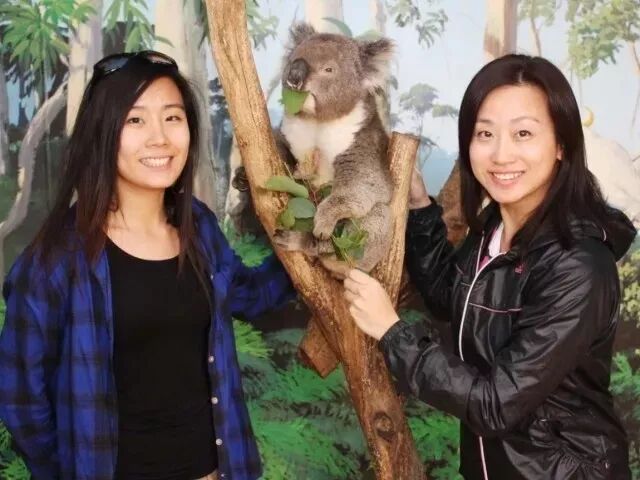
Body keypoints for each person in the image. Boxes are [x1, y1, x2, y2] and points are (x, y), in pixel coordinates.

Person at [0, 51, 295, 480]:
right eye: (135, 120)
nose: (160, 138)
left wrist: (314, 247)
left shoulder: (198, 227)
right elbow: (21, 400)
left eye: (172, 117)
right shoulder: (56, 260)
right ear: (102, 132)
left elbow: (251, 294)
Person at [344, 54, 636, 479]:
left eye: (523, 133)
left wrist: (393, 332)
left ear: (561, 145)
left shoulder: (579, 267)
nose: (501, 154)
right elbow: (450, 298)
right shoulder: (495, 229)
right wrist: (420, 208)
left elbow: (496, 404)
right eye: (485, 134)